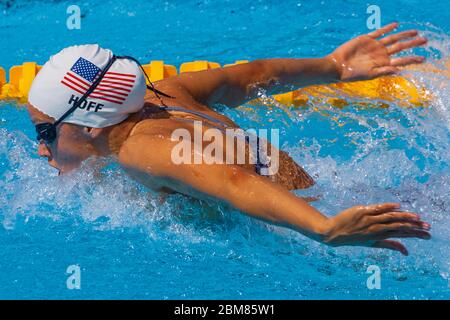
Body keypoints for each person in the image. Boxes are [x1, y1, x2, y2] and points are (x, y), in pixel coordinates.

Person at [27, 23, 431, 255]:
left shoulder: (140, 150)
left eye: (46, 132)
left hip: (318, 232)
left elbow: (233, 181)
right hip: (328, 194)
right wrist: (333, 67)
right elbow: (254, 74)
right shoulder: (164, 94)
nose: (40, 147)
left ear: (91, 125)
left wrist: (324, 230)